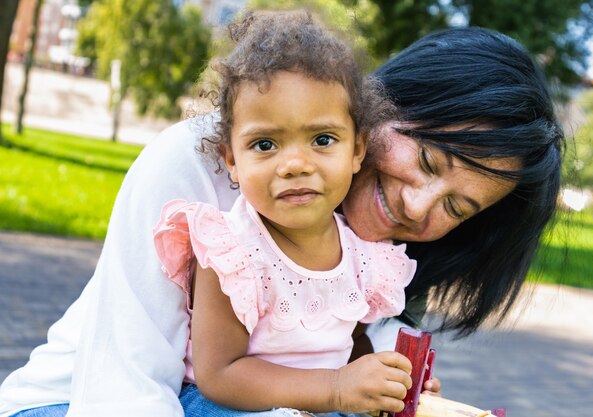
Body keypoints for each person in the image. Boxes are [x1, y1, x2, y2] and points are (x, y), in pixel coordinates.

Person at [0, 10, 564, 417]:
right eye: (425, 158)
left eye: (456, 206)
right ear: (382, 104)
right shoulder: (199, 167)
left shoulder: (378, 257)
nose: (417, 206)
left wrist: (394, 387)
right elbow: (127, 386)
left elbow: (351, 342)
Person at [154, 11, 418, 416]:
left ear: (358, 151)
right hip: (228, 407)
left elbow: (350, 350)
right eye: (264, 145)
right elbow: (220, 374)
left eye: (322, 139)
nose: (295, 164)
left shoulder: (364, 255)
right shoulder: (233, 253)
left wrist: (388, 381)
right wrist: (334, 388)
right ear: (232, 160)